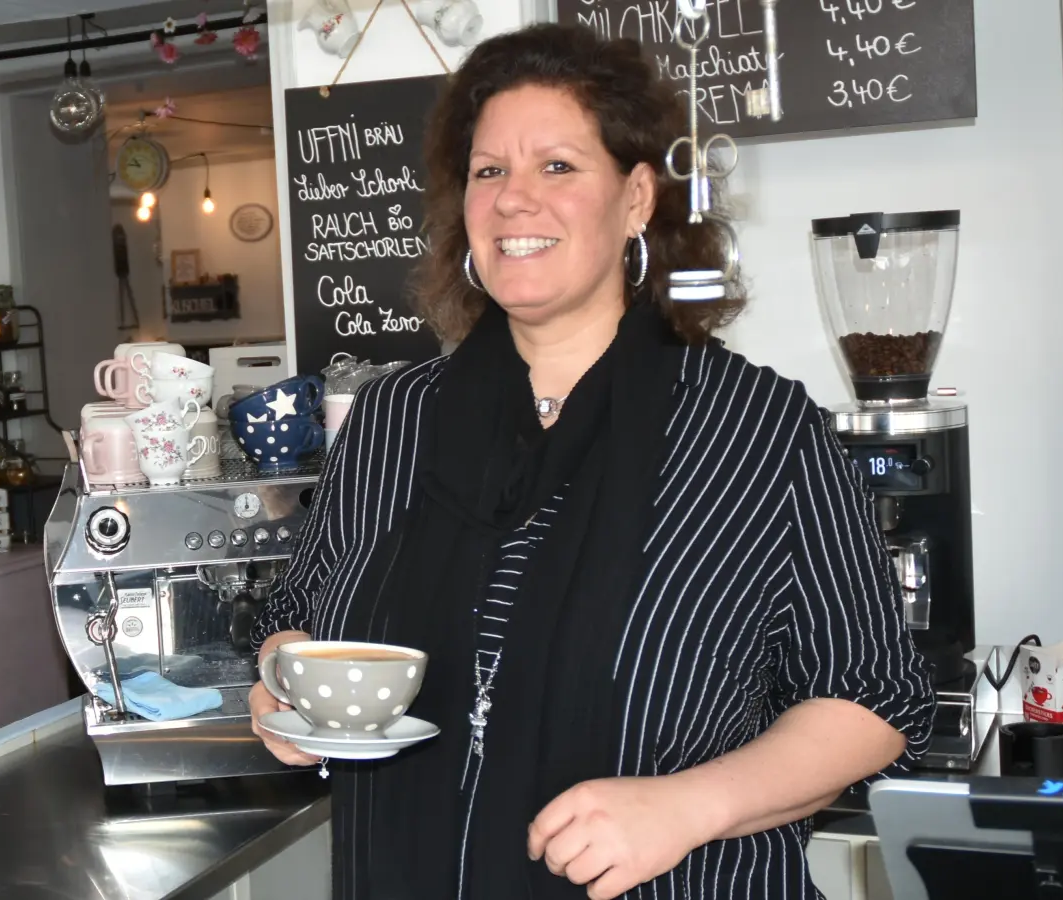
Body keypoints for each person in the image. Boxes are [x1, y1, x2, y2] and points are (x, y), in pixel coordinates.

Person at [249, 22, 935, 900]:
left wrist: (685, 807)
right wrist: (282, 688)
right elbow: (301, 623)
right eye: (488, 171)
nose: (513, 200)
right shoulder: (394, 420)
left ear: (638, 196)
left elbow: (870, 702)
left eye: (558, 167)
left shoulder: (756, 428)